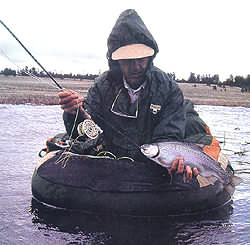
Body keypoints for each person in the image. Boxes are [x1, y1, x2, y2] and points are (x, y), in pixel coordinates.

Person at [58, 9, 204, 180]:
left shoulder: (169, 89)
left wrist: (173, 164)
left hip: (152, 166)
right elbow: (86, 133)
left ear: (150, 57)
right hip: (109, 163)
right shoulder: (101, 86)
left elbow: (168, 138)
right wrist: (73, 112)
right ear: (116, 60)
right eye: (127, 60)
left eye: (141, 59)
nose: (135, 67)